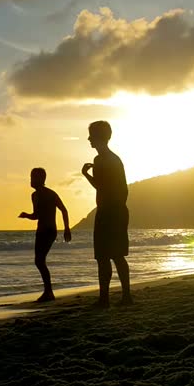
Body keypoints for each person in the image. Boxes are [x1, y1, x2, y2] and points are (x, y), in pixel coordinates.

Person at [82, 120, 132, 307]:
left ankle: (106, 299)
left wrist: (86, 174)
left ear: (99, 137)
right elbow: (120, 189)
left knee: (106, 256)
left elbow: (102, 186)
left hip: (109, 211)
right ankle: (124, 296)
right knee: (115, 255)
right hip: (115, 210)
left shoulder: (103, 160)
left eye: (91, 136)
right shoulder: (112, 159)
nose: (89, 139)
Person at [19, 168, 72, 302]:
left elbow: (63, 210)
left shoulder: (50, 194)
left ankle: (48, 292)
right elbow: (37, 215)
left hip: (48, 231)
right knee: (39, 261)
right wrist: (26, 216)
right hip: (42, 230)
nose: (30, 180)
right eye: (31, 177)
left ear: (41, 179)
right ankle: (48, 292)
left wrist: (67, 228)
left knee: (39, 261)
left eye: (33, 177)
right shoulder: (34, 195)